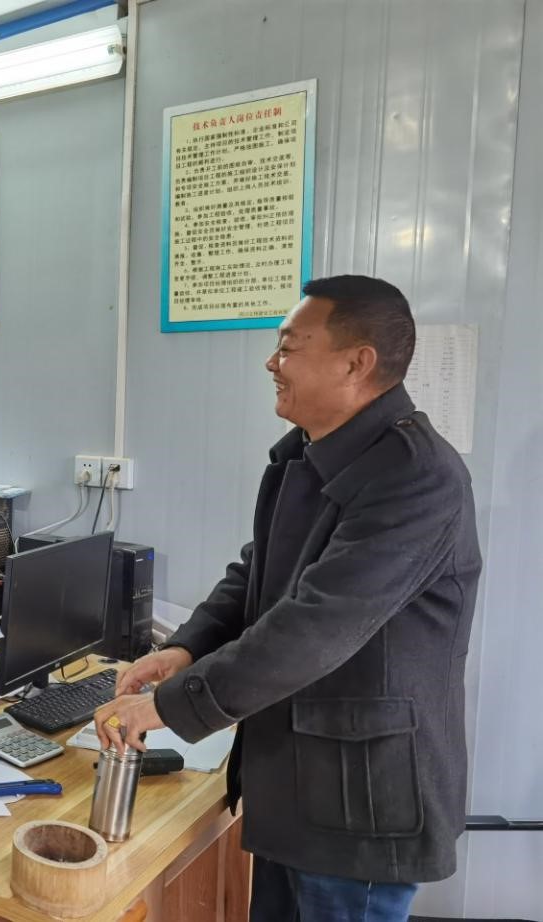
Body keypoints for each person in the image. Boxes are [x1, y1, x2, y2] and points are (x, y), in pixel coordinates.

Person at [95, 275, 482, 922]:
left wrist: (166, 706)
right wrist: (185, 649)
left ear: (356, 362)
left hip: (358, 807)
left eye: (289, 347)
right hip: (295, 783)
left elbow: (313, 627)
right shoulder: (310, 452)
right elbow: (259, 571)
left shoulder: (416, 477)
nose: (271, 363)